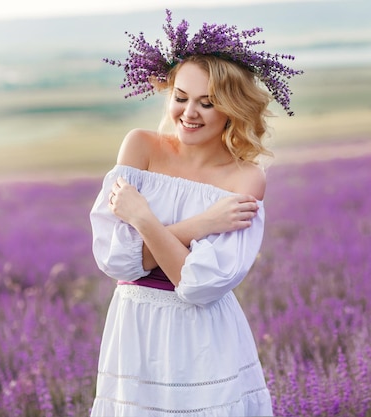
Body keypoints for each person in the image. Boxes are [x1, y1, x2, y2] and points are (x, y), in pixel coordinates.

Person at [89, 10, 302, 416]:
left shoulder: (245, 180)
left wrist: (144, 220)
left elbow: (199, 285)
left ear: (232, 108)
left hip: (203, 340)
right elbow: (115, 260)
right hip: (134, 328)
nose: (189, 113)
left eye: (207, 103)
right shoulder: (140, 148)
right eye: (180, 97)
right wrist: (201, 225)